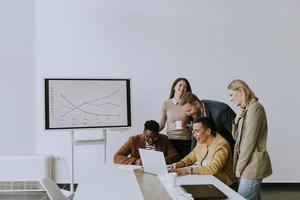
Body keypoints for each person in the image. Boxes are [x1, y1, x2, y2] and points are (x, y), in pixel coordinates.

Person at [228, 79, 272, 200]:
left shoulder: (255, 108)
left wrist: (239, 167)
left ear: (241, 91)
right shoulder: (246, 110)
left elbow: (249, 142)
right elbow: (238, 138)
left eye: (231, 94)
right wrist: (236, 122)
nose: (230, 99)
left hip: (252, 165)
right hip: (248, 163)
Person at [168, 117, 236, 187]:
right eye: (193, 131)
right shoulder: (202, 140)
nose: (194, 135)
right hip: (206, 180)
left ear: (208, 131)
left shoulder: (221, 145)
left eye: (197, 131)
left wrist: (187, 170)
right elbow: (191, 157)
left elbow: (213, 169)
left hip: (223, 185)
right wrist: (180, 164)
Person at [113, 120, 180, 165]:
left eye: (155, 137)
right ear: (144, 132)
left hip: (158, 171)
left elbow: (175, 156)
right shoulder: (133, 140)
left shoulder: (163, 139)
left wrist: (160, 160)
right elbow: (116, 157)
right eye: (148, 137)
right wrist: (135, 161)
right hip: (139, 172)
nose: (151, 140)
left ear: (158, 133)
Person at [159, 78, 193, 159]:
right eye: (180, 85)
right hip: (170, 141)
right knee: (171, 166)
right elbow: (161, 124)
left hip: (186, 141)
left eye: (185, 87)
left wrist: (188, 126)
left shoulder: (189, 104)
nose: (182, 88)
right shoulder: (166, 104)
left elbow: (196, 123)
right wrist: (151, 131)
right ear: (174, 86)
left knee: (184, 166)